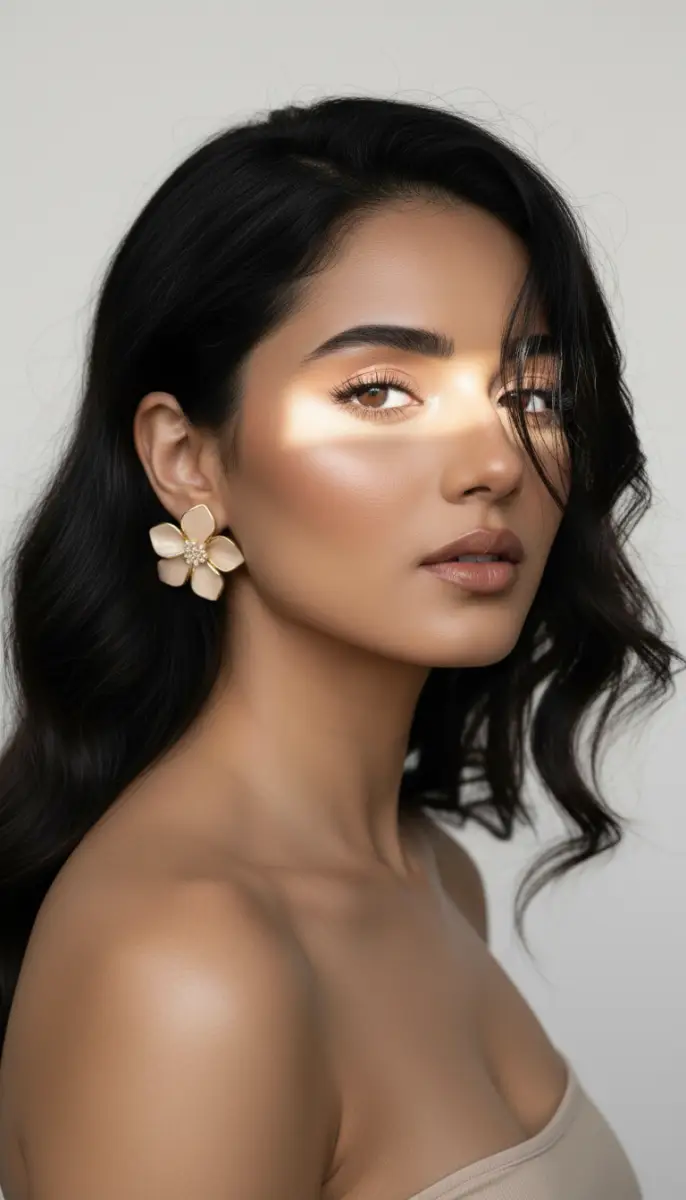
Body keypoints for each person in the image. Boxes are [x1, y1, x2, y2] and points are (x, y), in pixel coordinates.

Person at [0, 94, 680, 1200]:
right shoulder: (187, 964)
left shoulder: (429, 871)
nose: (495, 463)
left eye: (533, 392)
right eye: (378, 391)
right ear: (186, 460)